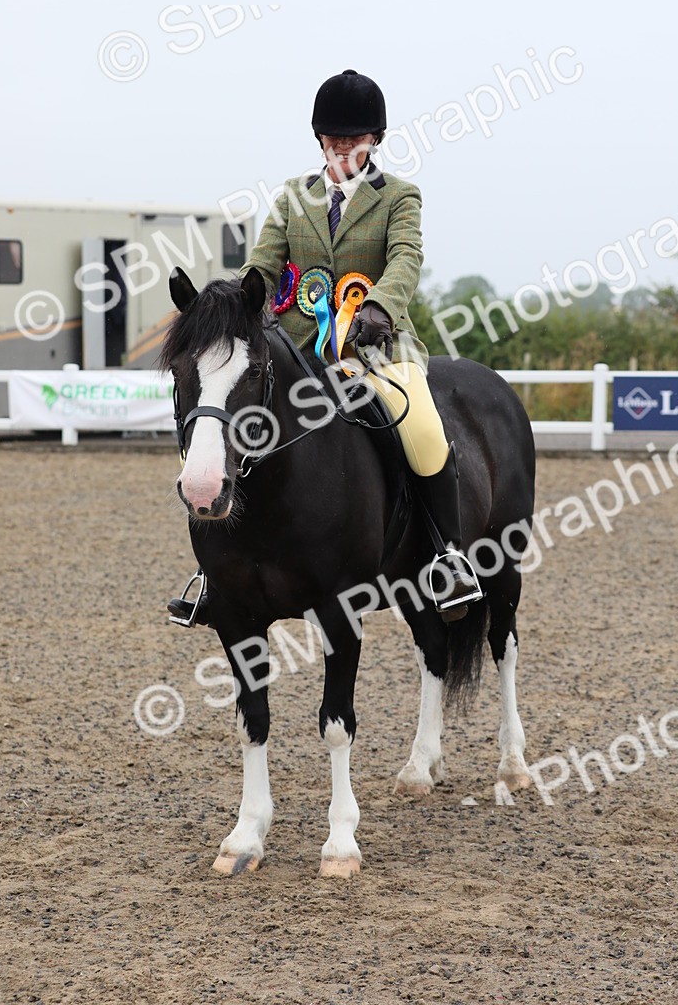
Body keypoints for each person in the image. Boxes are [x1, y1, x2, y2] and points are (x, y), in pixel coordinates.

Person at [169, 70, 481, 626]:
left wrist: (379, 306)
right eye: (334, 138)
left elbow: (406, 257)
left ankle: (447, 555)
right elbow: (263, 265)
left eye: (354, 138)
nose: (342, 146)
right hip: (295, 348)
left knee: (425, 431)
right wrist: (232, 307)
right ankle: (217, 574)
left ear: (375, 140)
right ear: (320, 140)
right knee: (225, 425)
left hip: (376, 347)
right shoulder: (294, 197)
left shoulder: (400, 198)